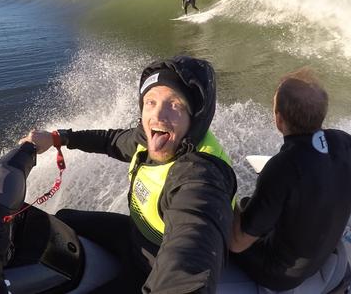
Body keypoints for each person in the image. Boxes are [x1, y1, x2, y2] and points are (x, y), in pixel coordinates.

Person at [20, 56, 237, 293]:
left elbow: (192, 252)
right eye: (150, 102)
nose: (158, 116)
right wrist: (57, 138)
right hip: (134, 237)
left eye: (175, 104)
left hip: (152, 268)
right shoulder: (148, 137)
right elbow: (111, 140)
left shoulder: (200, 177)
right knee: (61, 221)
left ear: (195, 116)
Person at [229, 68, 351, 291]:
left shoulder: (282, 167)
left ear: (279, 120)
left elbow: (238, 243)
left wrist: (226, 202)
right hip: (323, 254)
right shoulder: (347, 143)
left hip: (281, 274)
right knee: (254, 207)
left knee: (230, 220)